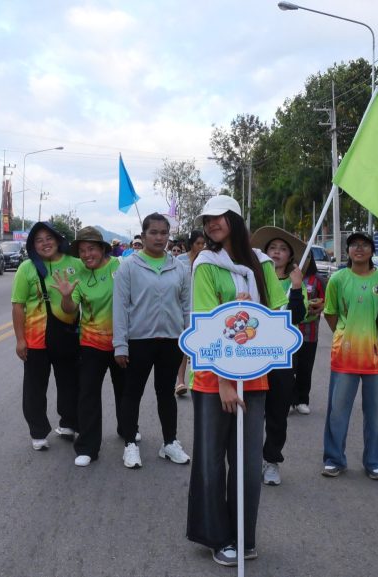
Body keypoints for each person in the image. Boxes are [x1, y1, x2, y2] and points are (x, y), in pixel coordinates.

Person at [186, 196, 303, 567]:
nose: (211, 224)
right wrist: (223, 380)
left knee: (248, 464)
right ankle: (217, 537)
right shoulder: (206, 264)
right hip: (212, 380)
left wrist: (262, 307)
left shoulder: (262, 264)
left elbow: (276, 314)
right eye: (207, 219)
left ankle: (243, 537)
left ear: (235, 219)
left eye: (218, 216)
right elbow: (206, 324)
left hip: (254, 377)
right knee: (211, 461)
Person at [112, 213, 191, 469]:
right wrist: (120, 344)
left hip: (171, 341)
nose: (159, 237)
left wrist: (189, 340)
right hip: (139, 341)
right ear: (143, 235)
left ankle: (169, 443)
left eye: (163, 233)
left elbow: (187, 306)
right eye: (153, 232)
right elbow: (120, 308)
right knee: (132, 393)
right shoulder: (129, 267)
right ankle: (130, 445)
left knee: (166, 393)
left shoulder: (179, 268)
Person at [321, 231, 378, 481]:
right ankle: (334, 460)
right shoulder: (338, 279)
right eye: (354, 245)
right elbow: (331, 313)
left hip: (377, 358)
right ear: (348, 251)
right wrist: (345, 335)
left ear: (372, 251)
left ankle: (374, 462)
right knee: (337, 412)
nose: (359, 248)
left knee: (376, 415)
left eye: (364, 245)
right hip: (344, 357)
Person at [11, 221, 85, 451]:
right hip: (36, 340)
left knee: (69, 383)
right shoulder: (27, 268)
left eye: (49, 238)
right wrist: (20, 340)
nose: (45, 243)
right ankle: (38, 432)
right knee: (34, 388)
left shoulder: (75, 263)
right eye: (39, 240)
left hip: (67, 335)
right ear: (33, 246)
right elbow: (18, 305)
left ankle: (69, 423)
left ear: (58, 239)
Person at [55, 227, 125, 467]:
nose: (86, 255)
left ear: (103, 249)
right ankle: (87, 447)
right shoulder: (79, 275)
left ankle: (128, 429)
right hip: (91, 342)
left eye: (91, 249)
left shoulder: (120, 267)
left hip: (120, 341)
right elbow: (70, 310)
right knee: (88, 394)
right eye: (82, 250)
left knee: (124, 390)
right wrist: (66, 296)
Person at [250, 226, 307, 487]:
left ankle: (271, 460)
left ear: (290, 256)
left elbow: (297, 317)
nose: (277, 252)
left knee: (277, 411)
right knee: (250, 409)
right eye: (272, 248)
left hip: (282, 357)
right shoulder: (253, 277)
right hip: (253, 354)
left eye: (283, 249)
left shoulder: (296, 283)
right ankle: (247, 458)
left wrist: (296, 286)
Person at [175, 229, 208, 395]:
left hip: (202, 304)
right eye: (198, 243)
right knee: (183, 344)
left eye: (203, 243)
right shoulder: (180, 260)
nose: (201, 246)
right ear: (191, 244)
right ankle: (180, 381)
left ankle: (198, 380)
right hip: (184, 305)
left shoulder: (208, 259)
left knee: (200, 344)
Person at [293, 257, 325, 415]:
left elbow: (327, 301)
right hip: (289, 333)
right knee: (288, 369)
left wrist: (319, 307)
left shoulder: (317, 280)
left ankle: (302, 400)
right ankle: (289, 401)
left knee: (305, 368)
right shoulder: (287, 276)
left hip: (309, 333)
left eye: (306, 257)